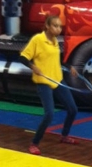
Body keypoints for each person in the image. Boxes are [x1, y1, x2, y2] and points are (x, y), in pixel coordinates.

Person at [19, 15, 79, 155]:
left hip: (57, 80)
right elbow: (22, 57)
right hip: (44, 82)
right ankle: (34, 143)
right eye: (55, 26)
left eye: (60, 26)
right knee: (49, 114)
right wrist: (33, 67)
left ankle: (64, 136)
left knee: (73, 109)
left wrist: (69, 66)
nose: (58, 29)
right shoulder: (38, 40)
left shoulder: (54, 41)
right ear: (47, 26)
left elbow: (55, 60)